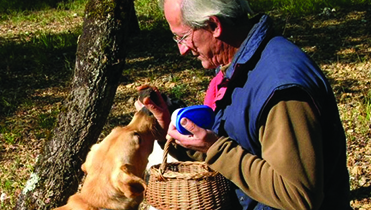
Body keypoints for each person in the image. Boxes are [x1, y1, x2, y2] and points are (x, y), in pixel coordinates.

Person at [136, 0, 352, 209]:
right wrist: (169, 129)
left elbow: (297, 195)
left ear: (214, 25)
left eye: (183, 37)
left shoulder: (281, 88)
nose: (182, 50)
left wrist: (216, 149)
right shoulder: (242, 68)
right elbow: (243, 153)